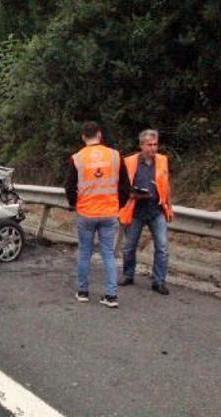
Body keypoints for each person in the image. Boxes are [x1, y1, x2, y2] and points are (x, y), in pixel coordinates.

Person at [65, 122, 130, 308]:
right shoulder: (115, 156)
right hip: (109, 212)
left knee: (85, 252)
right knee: (108, 254)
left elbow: (69, 186)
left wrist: (74, 204)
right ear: (100, 135)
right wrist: (119, 205)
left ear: (83, 137)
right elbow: (125, 186)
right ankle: (111, 296)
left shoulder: (77, 158)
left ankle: (83, 292)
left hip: (86, 212)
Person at [118, 129, 173, 295]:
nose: (153, 148)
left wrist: (168, 205)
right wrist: (133, 194)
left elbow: (166, 184)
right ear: (141, 145)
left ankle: (159, 281)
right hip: (135, 209)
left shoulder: (162, 160)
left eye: (155, 144)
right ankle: (128, 275)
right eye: (149, 145)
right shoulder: (129, 161)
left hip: (157, 210)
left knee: (162, 247)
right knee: (129, 247)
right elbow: (121, 185)